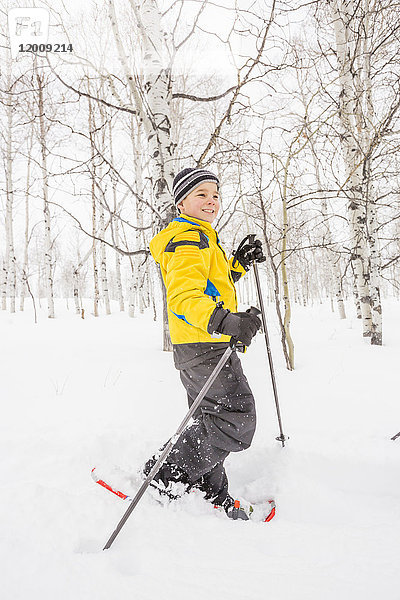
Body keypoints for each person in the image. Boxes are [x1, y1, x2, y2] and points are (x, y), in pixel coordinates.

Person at [145, 167, 266, 520]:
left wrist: (238, 265)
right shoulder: (187, 238)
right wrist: (226, 321)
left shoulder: (202, 237)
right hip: (203, 343)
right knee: (235, 417)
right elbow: (184, 297)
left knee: (210, 416)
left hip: (202, 343)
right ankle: (164, 476)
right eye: (201, 194)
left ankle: (205, 489)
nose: (211, 201)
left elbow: (212, 282)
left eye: (215, 194)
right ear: (182, 201)